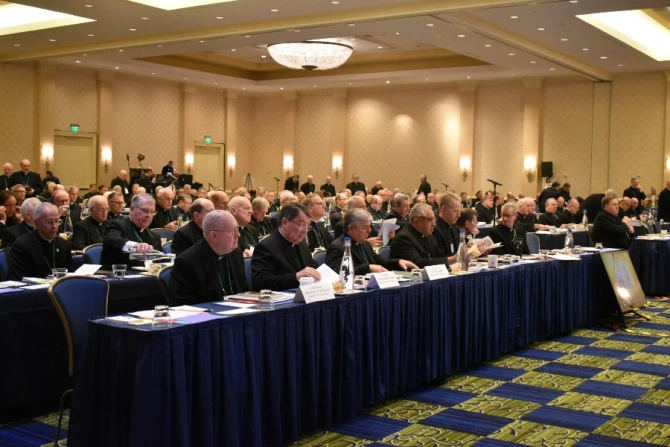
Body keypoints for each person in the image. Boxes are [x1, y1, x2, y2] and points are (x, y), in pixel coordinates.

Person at [170, 210, 248, 305]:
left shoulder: (236, 253)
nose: (238, 234)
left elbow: (244, 290)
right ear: (214, 236)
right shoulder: (187, 262)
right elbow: (183, 305)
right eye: (232, 231)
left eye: (237, 229)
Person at [251, 203, 320, 291]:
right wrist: (296, 276)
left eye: (307, 225)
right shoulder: (265, 247)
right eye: (301, 224)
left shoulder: (302, 244)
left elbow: (313, 268)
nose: (305, 231)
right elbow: (261, 282)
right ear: (284, 222)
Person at [326, 209, 417, 275]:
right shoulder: (337, 247)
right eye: (365, 228)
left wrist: (398, 262)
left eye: (369, 227)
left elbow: (381, 262)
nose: (369, 231)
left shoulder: (365, 243)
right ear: (351, 228)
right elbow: (337, 272)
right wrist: (368, 267)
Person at [7, 202, 72, 280]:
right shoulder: (22, 246)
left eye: (57, 221)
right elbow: (19, 278)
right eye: (49, 222)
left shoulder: (64, 244)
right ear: (37, 223)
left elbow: (71, 273)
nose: (54, 226)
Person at [100, 193, 162, 270]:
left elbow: (161, 263)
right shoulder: (117, 225)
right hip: (120, 275)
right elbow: (111, 239)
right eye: (145, 210)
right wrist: (135, 246)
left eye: (152, 212)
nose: (148, 215)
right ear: (132, 209)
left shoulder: (155, 237)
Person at [389, 203, 448, 268]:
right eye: (430, 220)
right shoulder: (403, 238)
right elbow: (417, 263)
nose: (434, 224)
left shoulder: (428, 235)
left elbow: (440, 256)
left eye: (434, 219)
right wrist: (449, 260)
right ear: (417, 221)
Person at [432, 192, 463, 263]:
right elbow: (440, 257)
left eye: (459, 212)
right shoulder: (434, 229)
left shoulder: (454, 228)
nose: (458, 215)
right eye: (455, 211)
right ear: (443, 209)